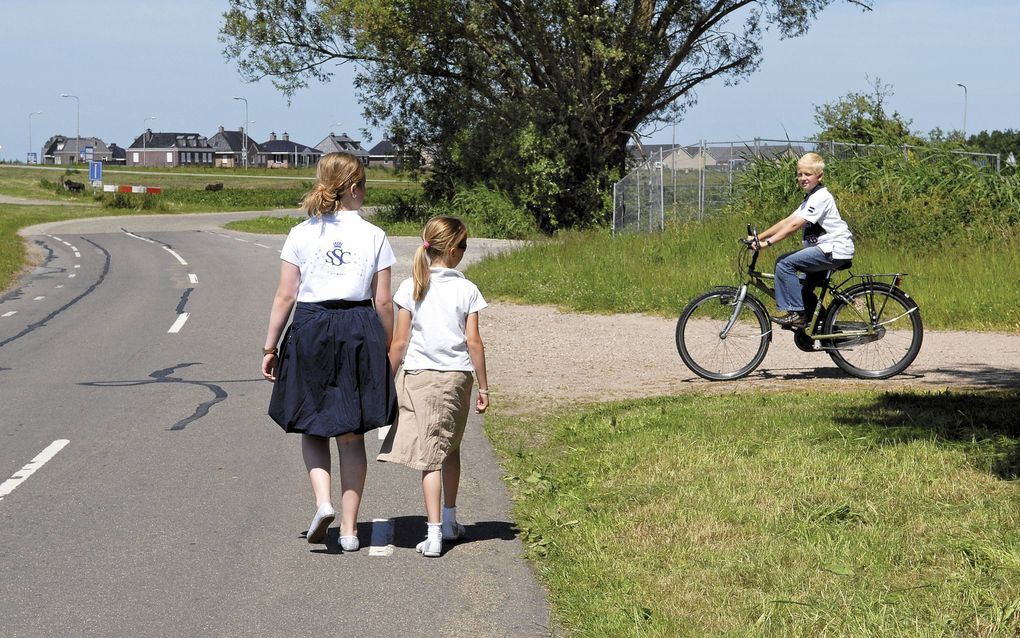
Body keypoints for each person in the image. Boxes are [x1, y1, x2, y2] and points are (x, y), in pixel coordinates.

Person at [261, 152, 397, 551]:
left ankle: (323, 503)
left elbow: (286, 295)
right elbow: (384, 302)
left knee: (313, 424)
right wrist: (384, 345)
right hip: (358, 325)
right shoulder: (374, 235)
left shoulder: (301, 233)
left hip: (310, 326)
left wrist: (270, 346)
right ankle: (352, 531)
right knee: (352, 436)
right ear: (355, 188)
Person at [377, 216, 490, 558]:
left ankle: (435, 531)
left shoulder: (411, 286)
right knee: (449, 448)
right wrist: (484, 387)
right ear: (454, 251)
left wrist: (384, 380)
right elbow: (474, 342)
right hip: (457, 377)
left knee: (431, 456)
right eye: (465, 246)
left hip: (420, 377)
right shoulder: (466, 289)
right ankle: (448, 521)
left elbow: (399, 342)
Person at [748, 152, 855, 328]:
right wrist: (757, 237)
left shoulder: (821, 197)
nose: (803, 178)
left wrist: (767, 244)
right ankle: (821, 327)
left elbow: (794, 226)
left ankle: (796, 313)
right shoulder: (810, 198)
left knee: (784, 263)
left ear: (819, 176)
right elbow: (787, 221)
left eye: (808, 174)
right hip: (826, 250)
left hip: (834, 249)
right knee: (801, 288)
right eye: (799, 174)